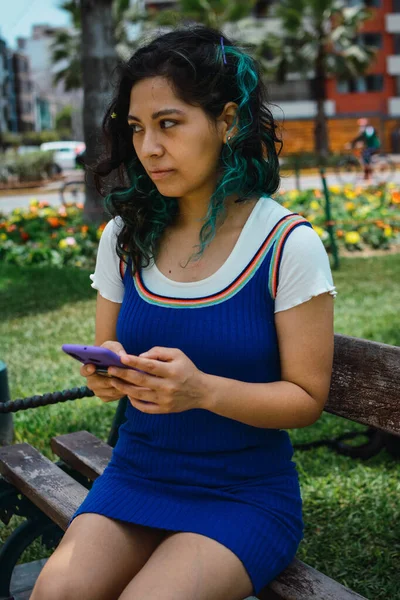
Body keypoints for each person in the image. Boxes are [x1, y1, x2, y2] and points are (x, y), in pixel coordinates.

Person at [31, 25, 336, 600]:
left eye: (169, 124)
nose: (148, 147)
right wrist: (108, 373)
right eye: (137, 129)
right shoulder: (125, 236)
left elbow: (306, 399)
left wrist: (201, 391)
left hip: (243, 494)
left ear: (225, 121)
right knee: (55, 595)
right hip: (138, 474)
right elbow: (109, 370)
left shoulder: (286, 244)